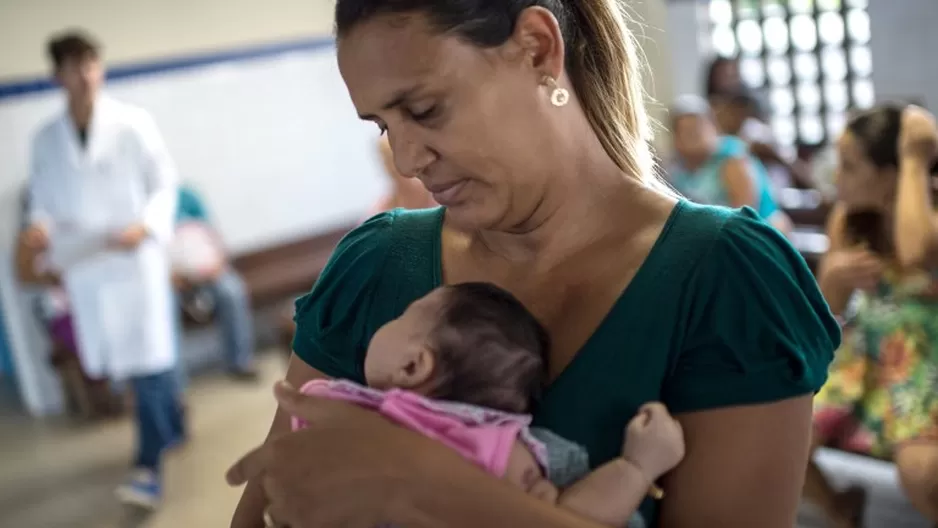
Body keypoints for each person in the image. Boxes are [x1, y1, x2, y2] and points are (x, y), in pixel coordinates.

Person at [227, 3, 838, 527]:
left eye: (426, 108)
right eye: (384, 126)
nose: (408, 159)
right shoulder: (377, 265)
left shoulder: (725, 278)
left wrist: (423, 485)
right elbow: (266, 504)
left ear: (538, 48)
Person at [25, 30, 184, 509]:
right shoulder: (46, 140)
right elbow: (41, 201)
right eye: (73, 65)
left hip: (134, 261)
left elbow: (165, 183)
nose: (85, 73)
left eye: (91, 62)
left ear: (101, 67)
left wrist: (147, 225)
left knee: (150, 364)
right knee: (133, 367)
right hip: (88, 267)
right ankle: (173, 425)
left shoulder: (133, 123)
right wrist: (37, 230)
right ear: (58, 76)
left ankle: (147, 467)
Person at [805, 104, 938, 528]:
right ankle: (839, 510)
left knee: (922, 474)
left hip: (924, 377)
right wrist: (833, 282)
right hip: (862, 367)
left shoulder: (926, 218)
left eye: (849, 166)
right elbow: (823, 317)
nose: (835, 178)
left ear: (889, 174)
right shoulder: (848, 219)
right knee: (777, 437)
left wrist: (916, 158)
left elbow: (918, 255)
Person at [668, 95, 792, 236]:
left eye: (698, 128)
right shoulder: (677, 167)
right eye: (686, 131)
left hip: (754, 232)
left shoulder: (731, 156)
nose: (694, 137)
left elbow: (745, 213)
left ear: (713, 127)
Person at [172, 184, 258, 380]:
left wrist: (217, 263)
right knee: (163, 310)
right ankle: (176, 385)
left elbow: (213, 234)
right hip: (172, 281)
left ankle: (240, 362)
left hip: (209, 271)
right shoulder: (140, 206)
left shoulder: (186, 196)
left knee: (232, 291)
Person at [366, 135, 437, 217]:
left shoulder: (436, 195)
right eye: (386, 159)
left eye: (394, 157)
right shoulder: (380, 210)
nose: (392, 166)